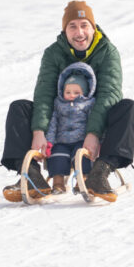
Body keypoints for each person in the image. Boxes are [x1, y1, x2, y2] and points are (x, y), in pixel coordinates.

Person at [0, 0, 134, 203]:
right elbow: (44, 94)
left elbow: (108, 96)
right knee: (19, 107)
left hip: (96, 123)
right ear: (65, 30)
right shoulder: (54, 53)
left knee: (129, 108)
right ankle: (31, 176)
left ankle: (99, 173)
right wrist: (39, 130)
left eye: (84, 26)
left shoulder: (107, 52)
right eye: (72, 26)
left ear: (93, 28)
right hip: (60, 123)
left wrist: (93, 134)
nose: (79, 33)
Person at [45, 62, 97, 194]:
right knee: (56, 155)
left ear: (84, 92)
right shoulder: (58, 104)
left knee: (81, 156)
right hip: (61, 141)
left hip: (81, 140)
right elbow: (53, 124)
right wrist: (49, 142)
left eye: (76, 92)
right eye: (68, 92)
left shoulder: (88, 104)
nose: (71, 95)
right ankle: (58, 183)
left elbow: (94, 122)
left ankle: (83, 180)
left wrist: (97, 139)